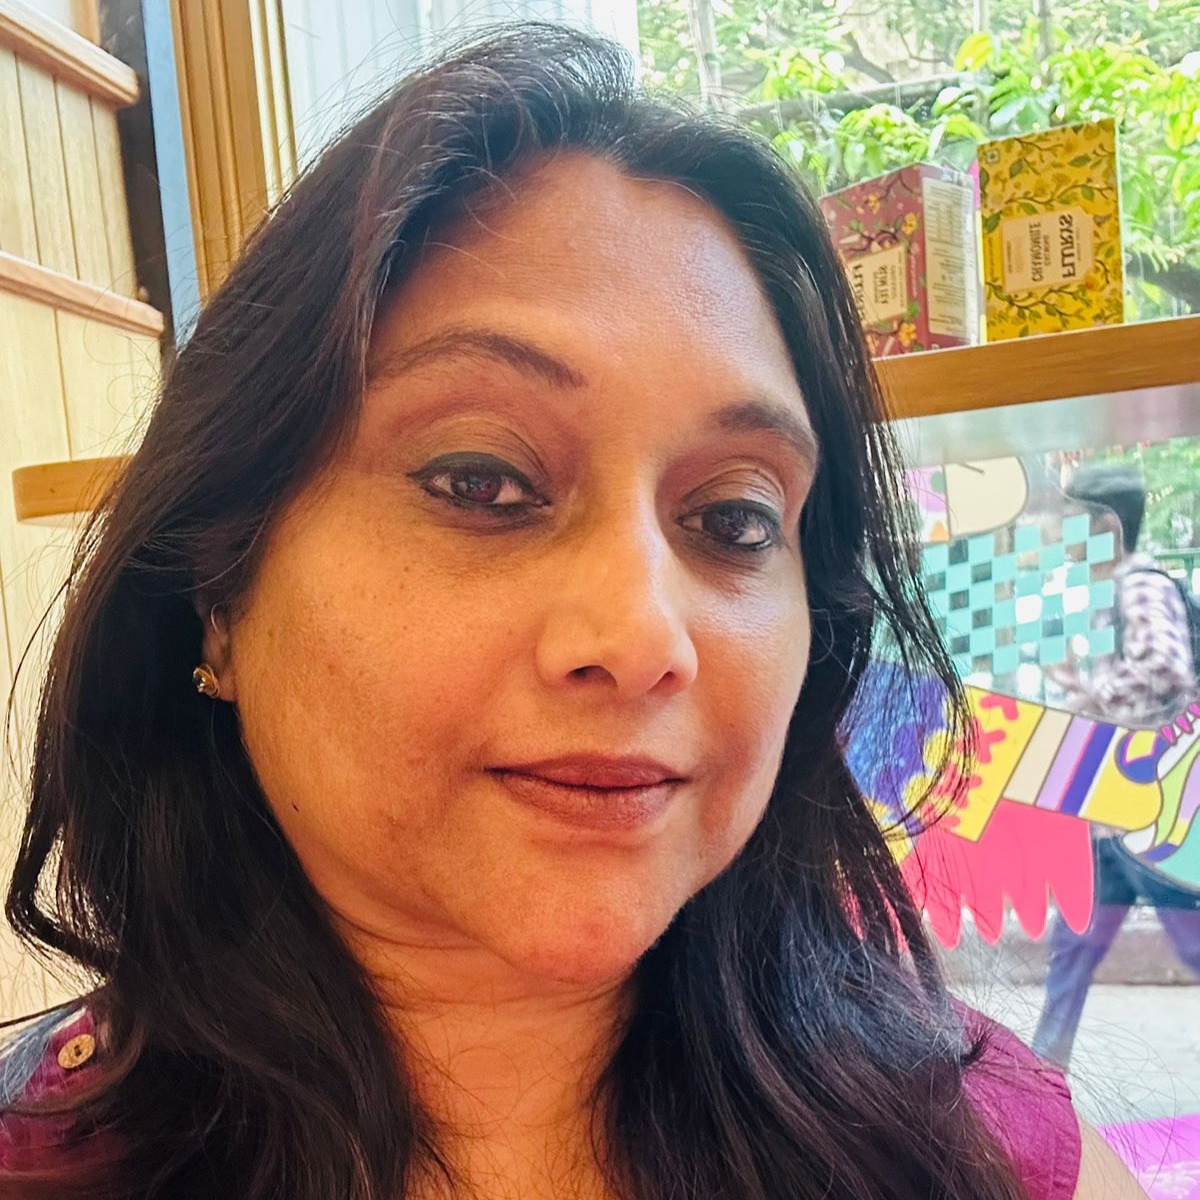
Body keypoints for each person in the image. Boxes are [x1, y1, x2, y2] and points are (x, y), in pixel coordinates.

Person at [0, 25, 1142, 1200]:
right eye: (482, 483)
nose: (645, 639)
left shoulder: (990, 1161)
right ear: (218, 596)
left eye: (735, 521)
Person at [1034, 464, 1200, 1069]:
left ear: (1106, 525)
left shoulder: (1138, 583)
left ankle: (1043, 1071)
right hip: (1115, 814)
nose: (1064, 539)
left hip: (1149, 810)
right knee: (1072, 946)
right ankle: (1043, 1077)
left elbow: (1167, 668)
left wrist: (1093, 693)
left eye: (1072, 525)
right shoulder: (1115, 591)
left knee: (1190, 942)